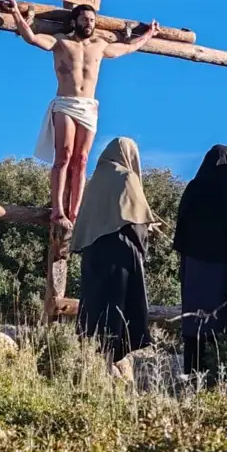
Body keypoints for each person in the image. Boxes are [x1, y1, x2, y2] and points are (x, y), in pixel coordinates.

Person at [3, 0, 159, 248]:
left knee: (82, 160)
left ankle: (75, 211)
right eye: (85, 19)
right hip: (66, 102)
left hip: (89, 106)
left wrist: (149, 34)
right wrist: (16, 14)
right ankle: (58, 209)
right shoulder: (60, 41)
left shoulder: (100, 45)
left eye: (92, 20)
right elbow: (31, 38)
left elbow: (127, 48)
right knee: (64, 155)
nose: (89, 23)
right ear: (75, 21)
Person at [71, 137, 157, 379]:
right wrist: (143, 244)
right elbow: (136, 222)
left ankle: (93, 362)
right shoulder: (127, 177)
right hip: (121, 255)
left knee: (96, 306)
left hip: (94, 254)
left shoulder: (95, 181)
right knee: (119, 309)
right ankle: (110, 364)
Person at [173, 144, 227, 375]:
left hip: (194, 265)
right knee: (223, 321)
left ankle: (193, 374)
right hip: (226, 267)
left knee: (195, 321)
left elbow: (182, 225)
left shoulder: (195, 187)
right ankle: (221, 377)